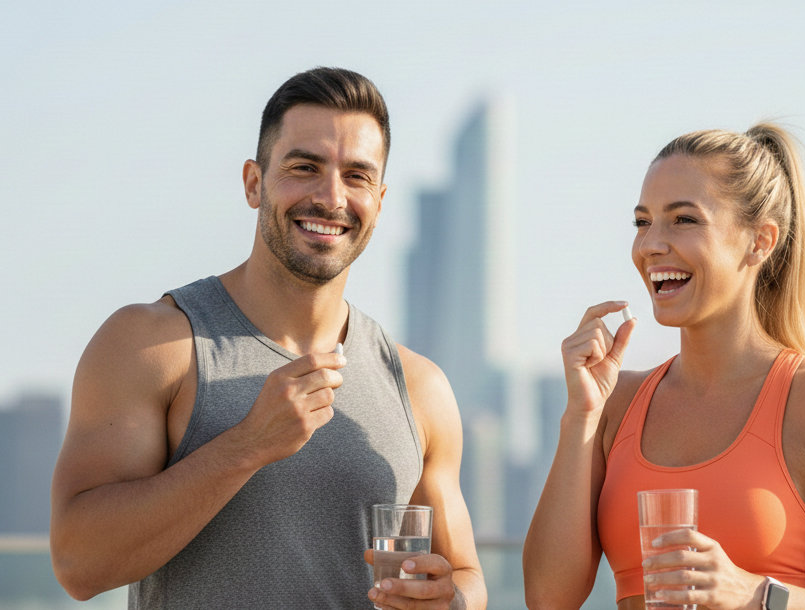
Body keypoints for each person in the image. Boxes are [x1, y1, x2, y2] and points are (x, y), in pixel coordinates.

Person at [50, 67, 486, 610]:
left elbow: (465, 573)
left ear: (379, 199)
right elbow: (78, 565)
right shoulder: (153, 345)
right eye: (305, 167)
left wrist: (452, 599)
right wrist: (249, 446)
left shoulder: (419, 387)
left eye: (357, 176)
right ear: (254, 183)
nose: (331, 197)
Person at [523, 124, 805, 610]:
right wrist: (580, 416)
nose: (650, 245)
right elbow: (547, 598)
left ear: (760, 241)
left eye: (684, 220)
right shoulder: (613, 403)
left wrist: (755, 594)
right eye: (642, 222)